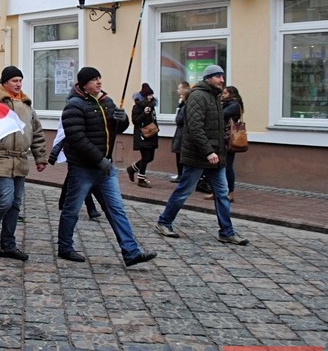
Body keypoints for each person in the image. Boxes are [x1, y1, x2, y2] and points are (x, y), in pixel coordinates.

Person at [56, 67, 157, 266]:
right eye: (94, 80)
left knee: (117, 209)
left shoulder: (107, 102)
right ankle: (65, 247)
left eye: (99, 78)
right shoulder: (73, 106)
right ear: (84, 84)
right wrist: (98, 159)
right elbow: (77, 138)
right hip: (83, 168)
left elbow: (118, 128)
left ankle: (131, 252)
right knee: (72, 209)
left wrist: (122, 119)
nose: (99, 82)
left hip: (105, 169)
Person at [155, 65, 249, 246]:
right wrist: (208, 151)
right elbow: (195, 128)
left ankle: (226, 232)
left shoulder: (215, 97)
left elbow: (216, 128)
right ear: (208, 78)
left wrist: (218, 151)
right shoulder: (198, 96)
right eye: (217, 77)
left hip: (215, 157)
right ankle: (164, 222)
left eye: (222, 76)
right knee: (184, 191)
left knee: (222, 193)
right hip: (198, 156)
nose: (222, 80)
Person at [0, 66, 48, 261]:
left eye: (20, 80)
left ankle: (8, 246)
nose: (18, 84)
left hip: (20, 158)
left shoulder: (26, 103)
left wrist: (40, 156)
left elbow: (36, 131)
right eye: (14, 80)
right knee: (5, 199)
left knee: (14, 204)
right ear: (4, 82)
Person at [205, 85, 244, 203]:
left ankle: (230, 192)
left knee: (227, 167)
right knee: (216, 166)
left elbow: (220, 114)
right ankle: (217, 191)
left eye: (226, 93)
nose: (223, 95)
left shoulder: (234, 105)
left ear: (232, 94)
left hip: (228, 140)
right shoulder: (225, 103)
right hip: (220, 138)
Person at [126, 83, 158, 188]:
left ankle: (132, 169)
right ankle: (141, 179)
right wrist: (144, 113)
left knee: (150, 158)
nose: (151, 97)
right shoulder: (137, 106)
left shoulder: (152, 106)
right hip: (141, 135)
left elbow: (153, 119)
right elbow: (135, 121)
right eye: (149, 95)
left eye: (151, 95)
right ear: (144, 96)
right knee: (145, 157)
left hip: (152, 134)